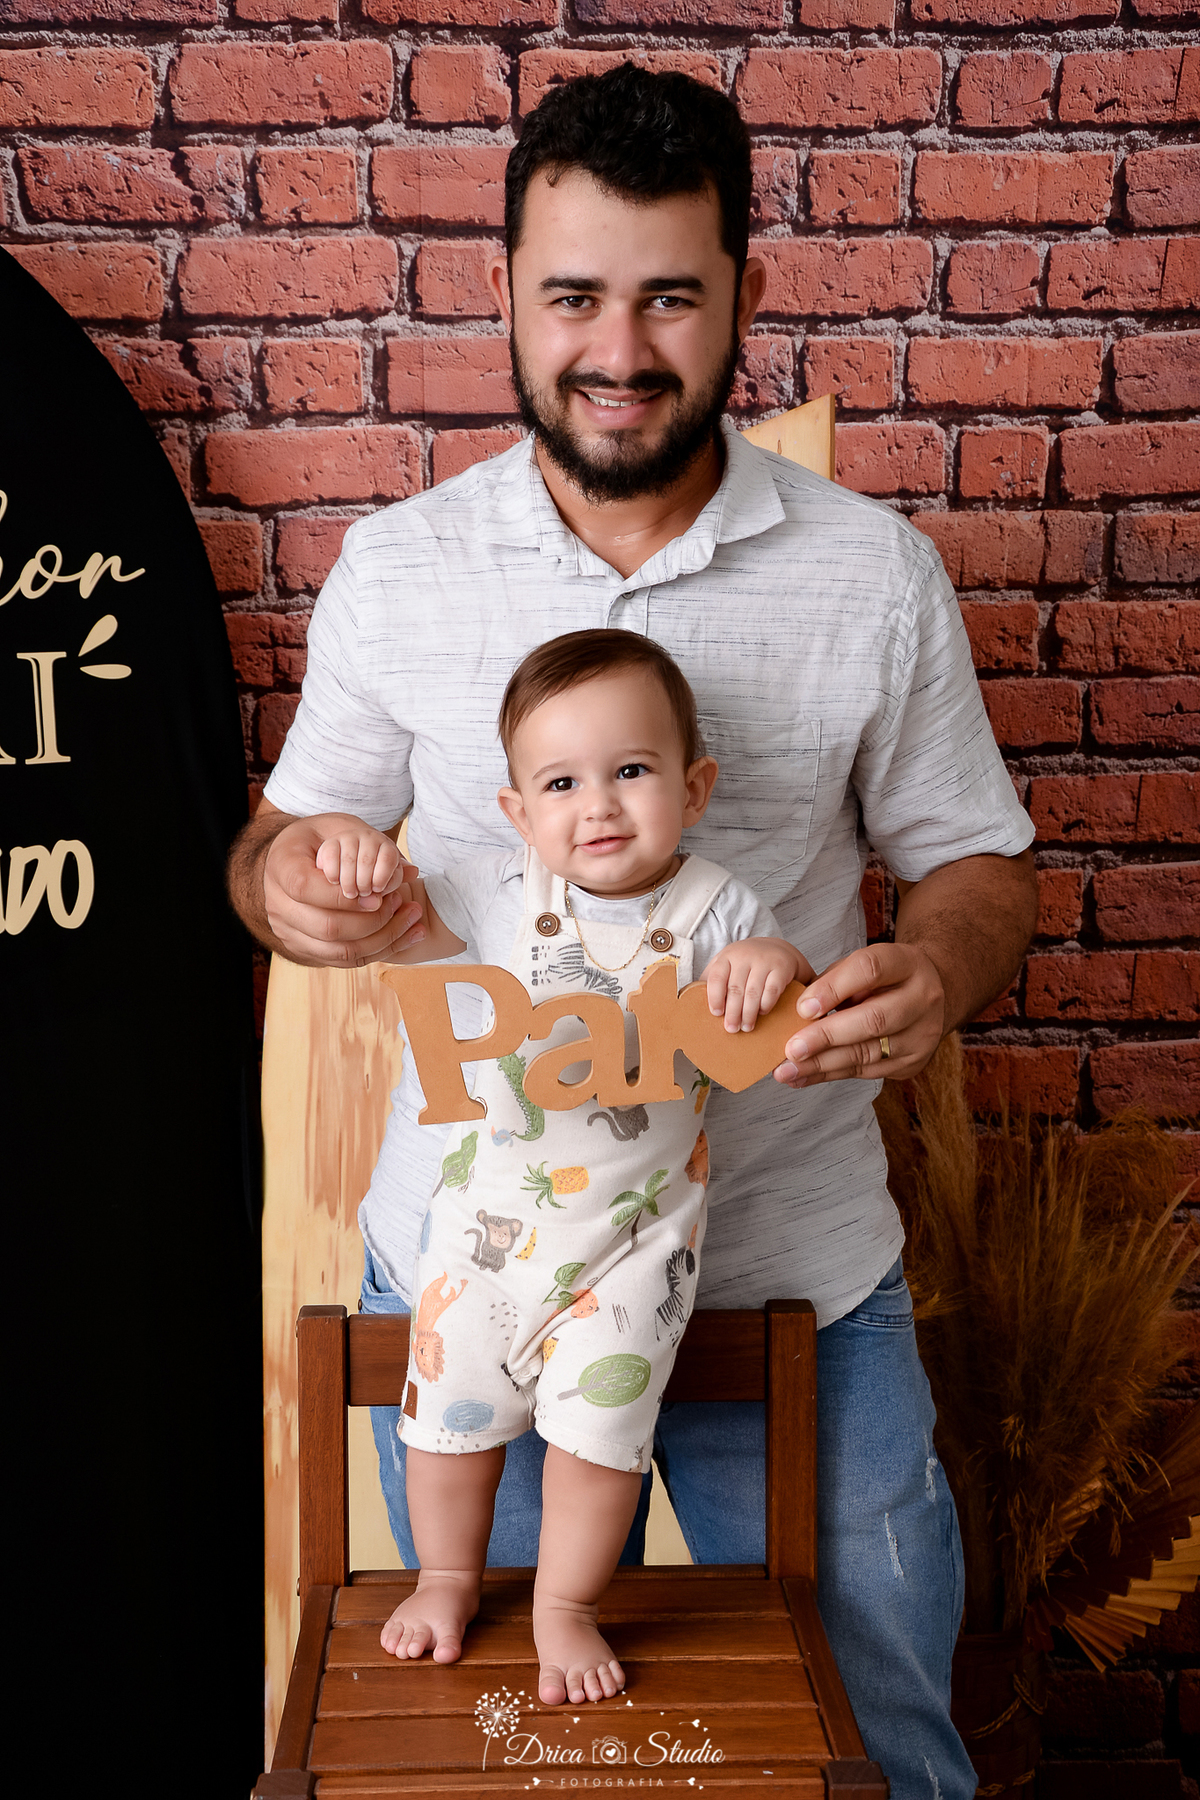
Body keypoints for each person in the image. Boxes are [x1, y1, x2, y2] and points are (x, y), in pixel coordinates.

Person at [227, 63, 1039, 1800]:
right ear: (508, 297)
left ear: (745, 292)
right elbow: (283, 844)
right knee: (501, 1753)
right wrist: (289, 887)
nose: (619, 344)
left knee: (884, 1741)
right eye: (574, 294)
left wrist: (940, 969)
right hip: (481, 1260)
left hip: (795, 1275)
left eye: (670, 294)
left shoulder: (874, 574)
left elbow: (977, 867)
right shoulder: (399, 568)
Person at [320, 628, 805, 1706]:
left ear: (695, 784)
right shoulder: (495, 893)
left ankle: (564, 1607)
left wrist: (777, 963)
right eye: (561, 782)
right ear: (518, 813)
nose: (599, 805)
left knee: (599, 1444)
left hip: (633, 1256)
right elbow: (392, 915)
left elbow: (775, 1006)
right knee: (447, 1424)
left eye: (632, 771)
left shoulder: (719, 909)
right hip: (484, 1240)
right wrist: (354, 856)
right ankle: (447, 1580)